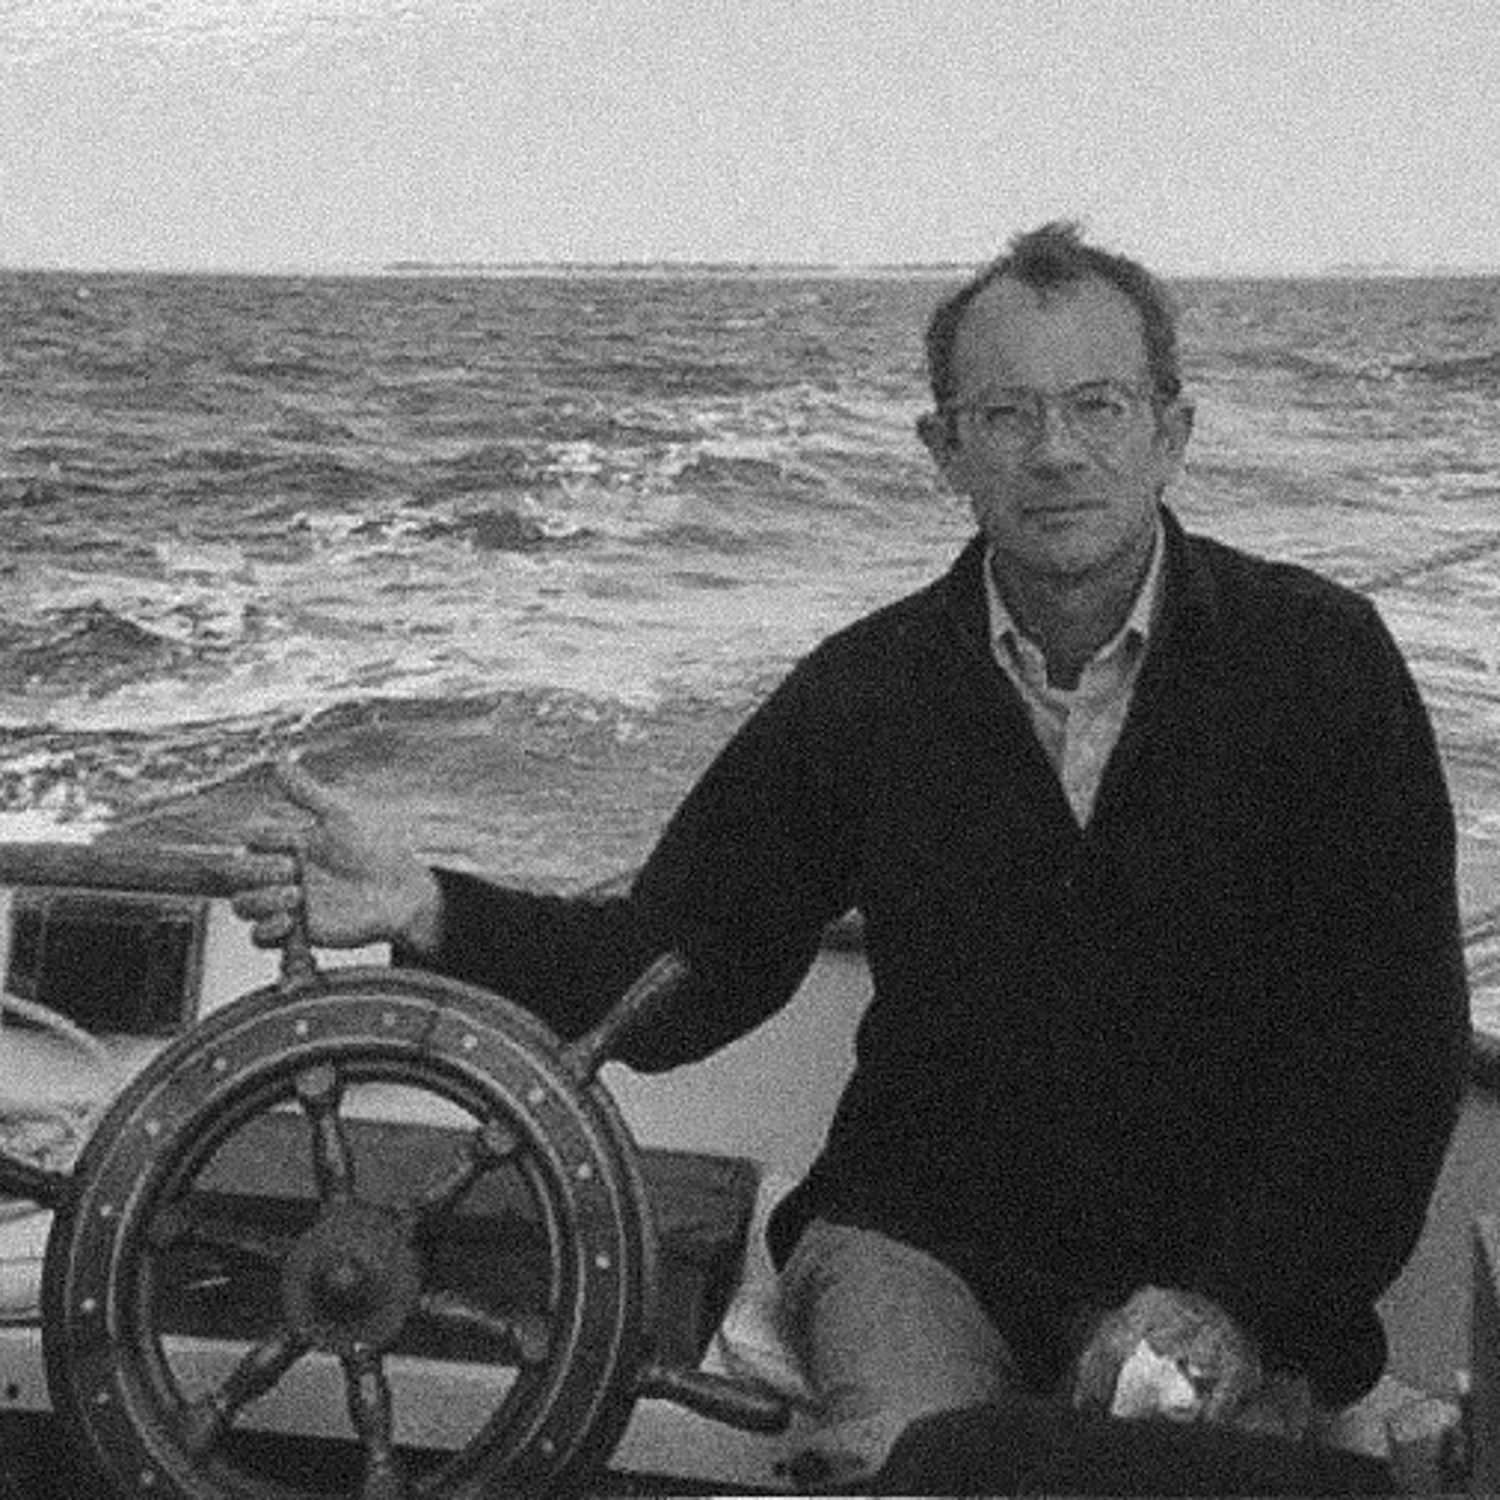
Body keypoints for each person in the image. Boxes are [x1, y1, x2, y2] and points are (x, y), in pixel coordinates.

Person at [232, 222, 1468, 1486]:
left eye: (1098, 405)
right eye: (1005, 415)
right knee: (911, 1473)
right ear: (944, 452)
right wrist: (432, 909)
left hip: (1220, 1264)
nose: (1055, 452)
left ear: (1174, 429)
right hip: (923, 1245)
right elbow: (679, 971)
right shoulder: (867, 694)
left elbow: (1390, 1053)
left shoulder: (1324, 669)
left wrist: (1236, 1306)